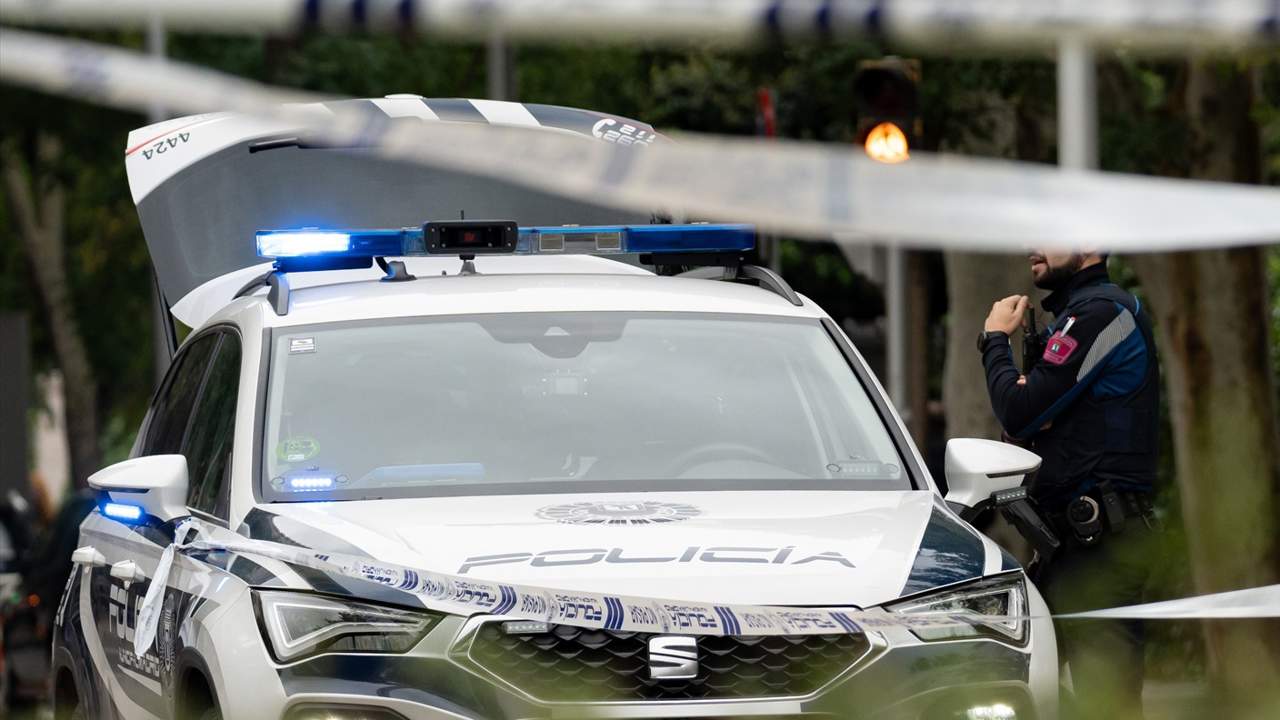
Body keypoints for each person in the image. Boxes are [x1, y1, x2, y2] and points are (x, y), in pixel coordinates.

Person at [976, 247, 1161, 719]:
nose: (1033, 246)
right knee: (1014, 693)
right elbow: (1023, 427)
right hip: (1068, 550)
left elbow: (1020, 411)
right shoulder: (1073, 318)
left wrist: (994, 340)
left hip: (1102, 551)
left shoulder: (1103, 314)